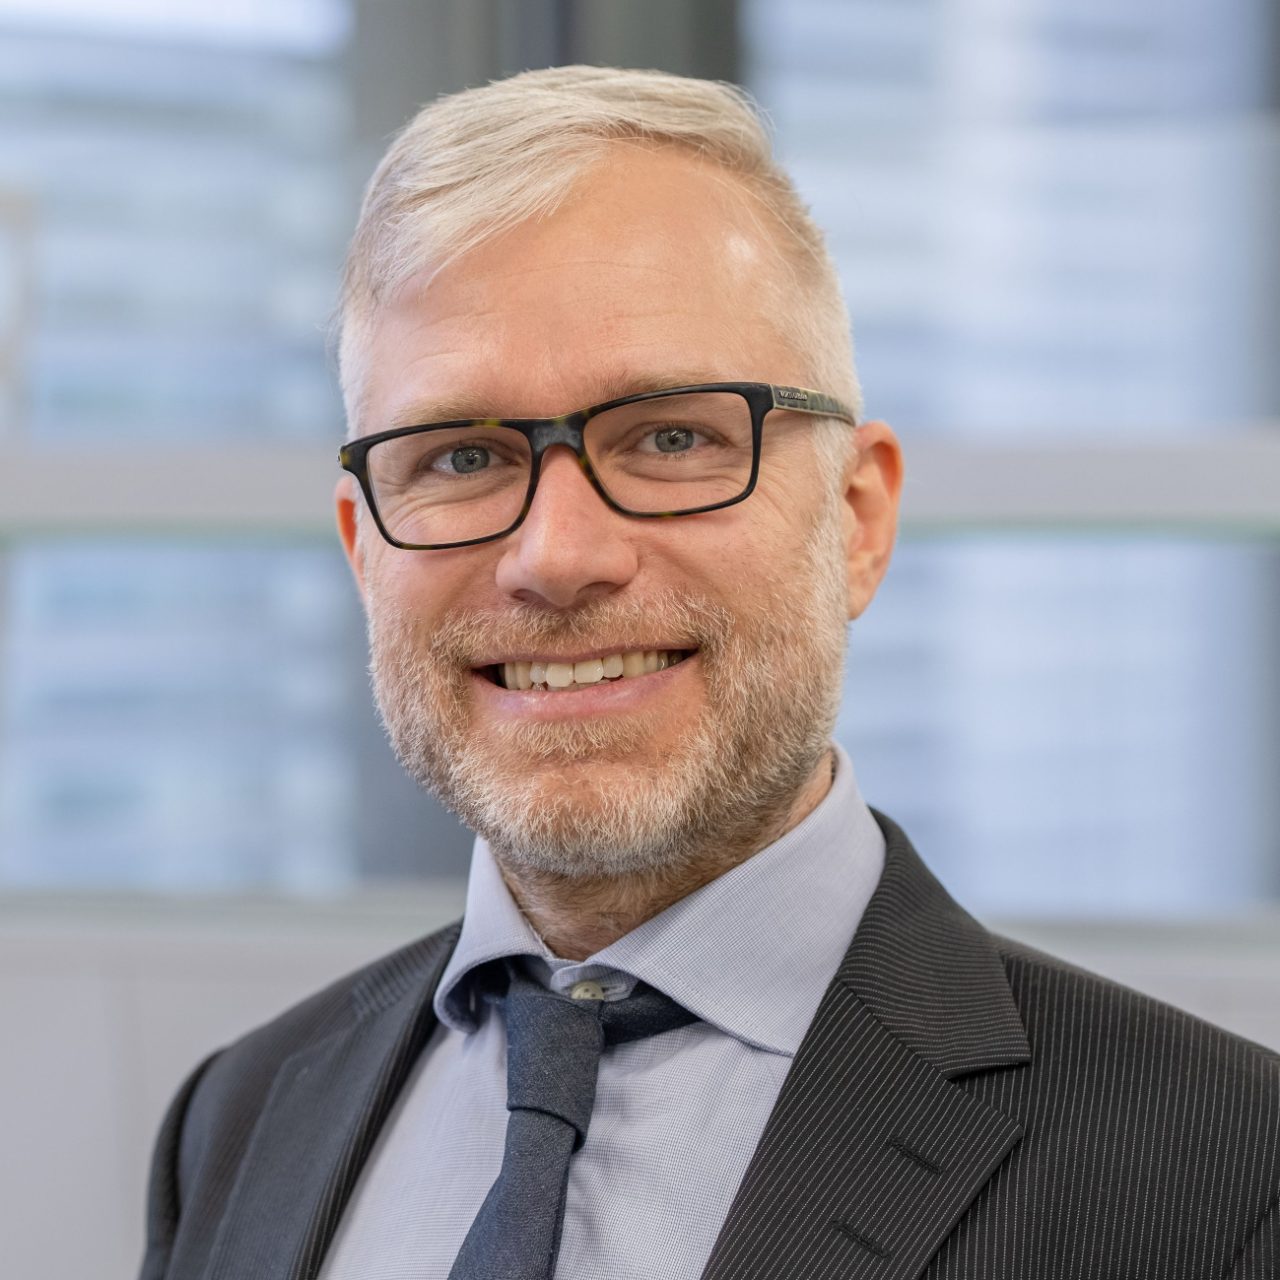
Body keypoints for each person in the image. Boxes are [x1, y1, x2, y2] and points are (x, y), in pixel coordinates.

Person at [139, 66, 1279, 1280]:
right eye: (460, 456)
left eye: (670, 436)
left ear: (856, 520)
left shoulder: (1223, 1184)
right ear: (363, 550)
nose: (555, 556)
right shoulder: (239, 1118)